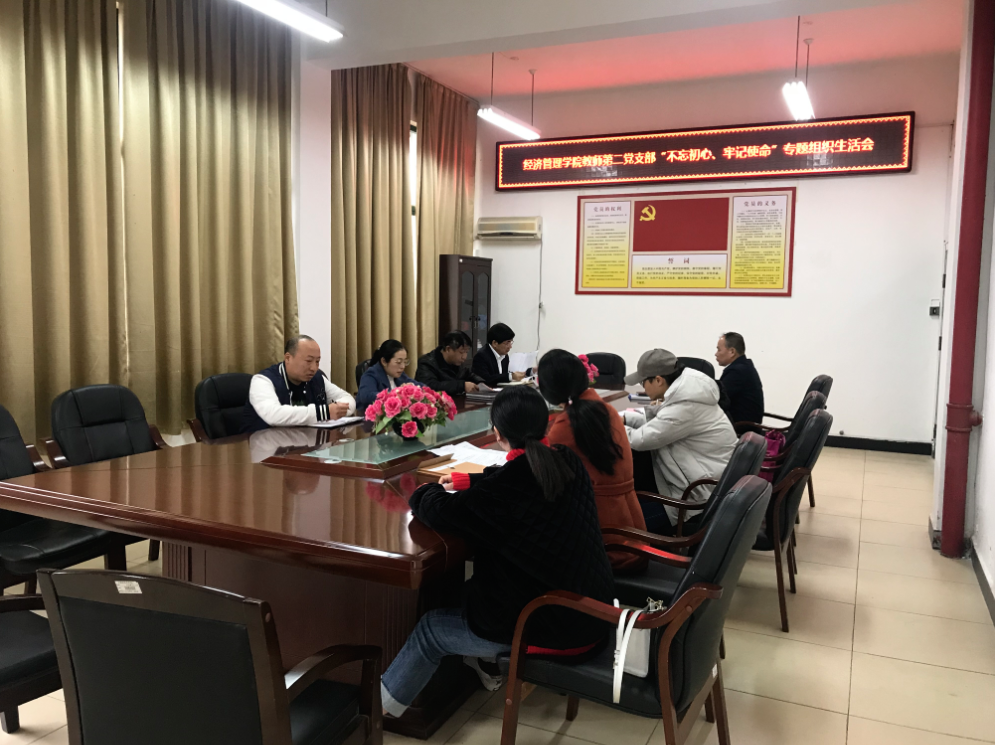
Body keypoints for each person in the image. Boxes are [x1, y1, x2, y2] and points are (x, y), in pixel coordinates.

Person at [381, 386, 614, 717]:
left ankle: (378, 712)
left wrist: (426, 488)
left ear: (497, 432)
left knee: (431, 629)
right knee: (462, 593)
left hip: (550, 629)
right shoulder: (566, 459)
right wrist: (470, 480)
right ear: (546, 424)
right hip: (592, 613)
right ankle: (480, 666)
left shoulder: (500, 493)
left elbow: (437, 510)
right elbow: (514, 479)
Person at [537, 349, 647, 573]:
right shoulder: (606, 410)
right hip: (631, 532)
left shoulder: (566, 425)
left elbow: (542, 476)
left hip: (604, 545)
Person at [622, 349, 737, 535]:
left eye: (643, 383)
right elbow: (658, 424)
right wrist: (624, 419)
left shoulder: (685, 405)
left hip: (693, 497)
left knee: (619, 523)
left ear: (658, 380)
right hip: (698, 482)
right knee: (629, 501)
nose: (643, 389)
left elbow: (641, 440)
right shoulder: (684, 392)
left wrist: (611, 426)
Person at [241, 335, 355, 434]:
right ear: (288, 358)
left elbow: (347, 398)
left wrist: (337, 410)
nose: (314, 368)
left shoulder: (317, 378)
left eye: (317, 361)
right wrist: (323, 412)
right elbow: (273, 415)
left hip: (304, 442)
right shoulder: (262, 380)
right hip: (263, 446)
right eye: (308, 361)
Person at [715, 332, 765, 426]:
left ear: (732, 352)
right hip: (744, 423)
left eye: (719, 350)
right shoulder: (744, 367)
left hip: (740, 427)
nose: (716, 354)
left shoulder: (737, 371)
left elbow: (718, 398)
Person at [414, 331, 484, 396]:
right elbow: (430, 387)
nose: (464, 357)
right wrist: (462, 386)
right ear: (448, 349)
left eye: (466, 352)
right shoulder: (427, 362)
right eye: (461, 352)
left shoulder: (456, 362)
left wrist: (480, 383)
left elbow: (468, 374)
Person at [357, 339, 423, 408]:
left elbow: (423, 387)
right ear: (384, 361)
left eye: (405, 362)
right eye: (398, 362)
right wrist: (397, 393)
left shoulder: (400, 374)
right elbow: (367, 396)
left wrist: (413, 387)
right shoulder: (371, 374)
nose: (403, 366)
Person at [472, 323, 527, 387]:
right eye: (507, 343)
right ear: (495, 343)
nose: (510, 346)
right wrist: (510, 376)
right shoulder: (481, 356)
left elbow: (501, 377)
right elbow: (485, 379)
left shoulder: (505, 356)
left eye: (511, 342)